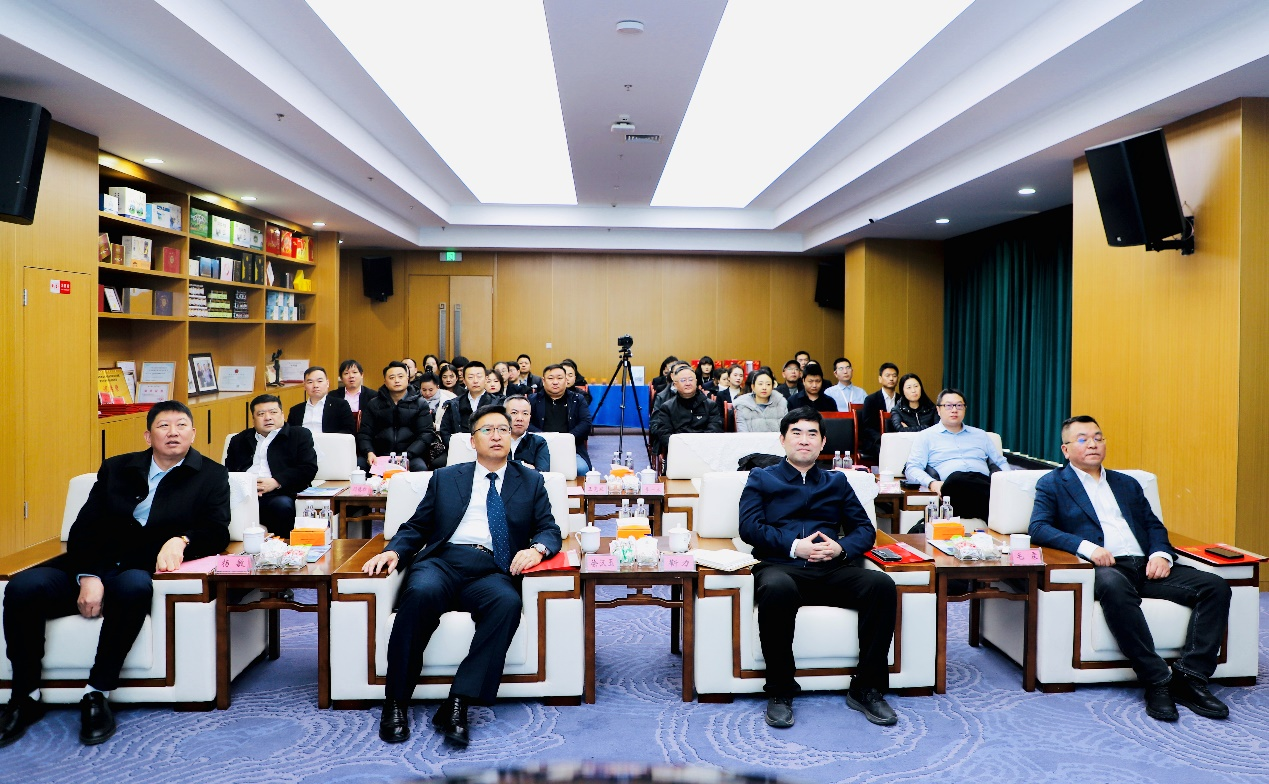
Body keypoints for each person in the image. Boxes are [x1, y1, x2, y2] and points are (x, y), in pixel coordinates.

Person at [0, 401, 230, 747]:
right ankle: (25, 695)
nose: (173, 432)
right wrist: (88, 575)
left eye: (181, 425)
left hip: (138, 570)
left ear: (193, 433)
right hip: (91, 564)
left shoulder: (212, 475)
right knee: (23, 587)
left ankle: (97, 693)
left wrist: (182, 540)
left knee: (135, 586)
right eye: (163, 426)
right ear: (148, 436)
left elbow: (217, 530)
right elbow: (83, 529)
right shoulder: (117, 468)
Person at [363, 405, 562, 746]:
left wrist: (537, 549)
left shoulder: (530, 481)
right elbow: (417, 526)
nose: (497, 436)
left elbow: (549, 528)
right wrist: (394, 552)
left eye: (503, 429)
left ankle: (457, 703)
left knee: (507, 603)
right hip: (443, 562)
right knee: (420, 593)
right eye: (488, 430)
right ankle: (395, 701)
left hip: (492, 568)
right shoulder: (446, 478)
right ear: (472, 441)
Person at [1029, 416, 1232, 722]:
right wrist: (1088, 548)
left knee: (1215, 587)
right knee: (1113, 586)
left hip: (1147, 565)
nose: (1093, 444)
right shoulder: (1053, 484)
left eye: (1098, 437)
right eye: (1083, 439)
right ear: (1065, 449)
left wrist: (1161, 554)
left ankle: (1191, 677)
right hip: (1106, 566)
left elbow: (1153, 525)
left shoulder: (1127, 484)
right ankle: (1156, 679)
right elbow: (1039, 527)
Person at [738, 407, 898, 728]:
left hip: (830, 570)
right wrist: (794, 545)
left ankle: (866, 687)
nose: (804, 440)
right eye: (796, 433)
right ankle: (780, 691)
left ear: (823, 442)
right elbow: (749, 527)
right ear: (782, 440)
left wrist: (841, 548)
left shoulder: (836, 482)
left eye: (812, 434)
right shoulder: (761, 478)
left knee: (881, 586)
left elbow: (864, 530)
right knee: (778, 587)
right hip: (780, 566)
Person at [904, 389, 1008, 520]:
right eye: (948, 406)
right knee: (956, 478)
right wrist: (932, 483)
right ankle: (995, 511)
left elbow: (1000, 462)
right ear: (938, 410)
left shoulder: (981, 435)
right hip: (953, 488)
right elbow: (912, 468)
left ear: (965, 409)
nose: (954, 410)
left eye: (959, 405)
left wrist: (1008, 482)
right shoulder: (926, 436)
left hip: (982, 483)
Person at [226, 394, 319, 537]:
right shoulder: (238, 440)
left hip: (280, 493)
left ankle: (283, 546)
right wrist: (247, 486)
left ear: (282, 414)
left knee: (282, 506)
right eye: (261, 414)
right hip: (244, 494)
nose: (268, 417)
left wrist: (276, 482)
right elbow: (228, 472)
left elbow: (308, 468)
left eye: (273, 412)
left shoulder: (299, 435)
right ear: (253, 419)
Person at [358, 361, 440, 472]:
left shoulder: (420, 404)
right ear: (385, 381)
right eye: (392, 377)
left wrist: (407, 455)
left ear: (407, 378)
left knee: (420, 468)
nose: (396, 380)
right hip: (379, 455)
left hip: (409, 456)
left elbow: (425, 435)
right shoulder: (374, 404)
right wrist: (369, 452)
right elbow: (365, 433)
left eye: (400, 376)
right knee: (359, 466)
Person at [528, 364, 592, 473]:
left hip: (571, 449)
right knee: (528, 469)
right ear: (543, 381)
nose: (555, 382)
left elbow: (586, 423)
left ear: (566, 380)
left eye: (559, 378)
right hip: (539, 448)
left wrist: (565, 440)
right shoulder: (532, 400)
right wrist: (545, 439)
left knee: (581, 469)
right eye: (550, 378)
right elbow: (526, 424)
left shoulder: (578, 399)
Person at [650, 362, 723, 455]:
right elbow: (665, 435)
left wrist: (697, 446)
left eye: (691, 380)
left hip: (704, 451)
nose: (688, 383)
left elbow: (715, 430)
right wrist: (684, 448)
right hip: (678, 452)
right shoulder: (667, 407)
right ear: (675, 384)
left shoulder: (710, 405)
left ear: (696, 382)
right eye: (683, 380)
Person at [439, 361, 499, 446]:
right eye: (470, 377)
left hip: (490, 447)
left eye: (479, 377)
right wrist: (455, 446)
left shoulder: (497, 403)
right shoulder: (454, 404)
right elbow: (445, 431)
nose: (475, 381)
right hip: (460, 448)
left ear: (486, 379)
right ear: (464, 380)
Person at [287, 366, 355, 435]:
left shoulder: (340, 405)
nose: (315, 385)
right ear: (304, 386)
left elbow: (349, 431)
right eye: (310, 382)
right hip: (304, 442)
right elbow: (290, 434)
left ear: (327, 383)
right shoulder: (295, 411)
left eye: (319, 381)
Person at [858, 363, 899, 461]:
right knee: (885, 450)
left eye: (894, 376)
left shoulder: (902, 400)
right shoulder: (871, 399)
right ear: (880, 379)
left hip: (897, 439)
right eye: (887, 375)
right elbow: (867, 427)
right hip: (876, 441)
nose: (891, 379)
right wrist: (883, 438)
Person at [733, 367, 788, 433]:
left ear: (773, 386)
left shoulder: (781, 403)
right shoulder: (743, 405)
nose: (764, 388)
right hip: (750, 439)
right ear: (753, 387)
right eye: (760, 384)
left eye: (768, 384)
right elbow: (742, 431)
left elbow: (785, 430)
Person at [505, 394, 550, 470]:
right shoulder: (495, 440)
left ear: (530, 417)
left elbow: (542, 472)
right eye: (514, 413)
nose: (520, 418)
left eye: (525, 414)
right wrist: (522, 465)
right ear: (504, 416)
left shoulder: (538, 442)